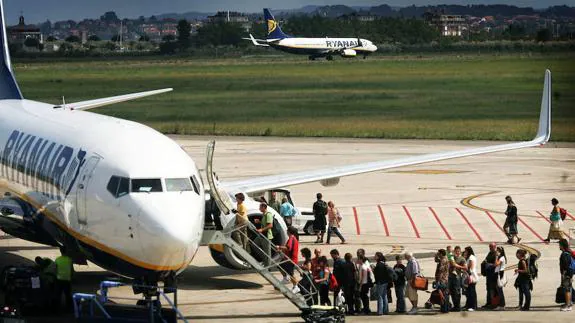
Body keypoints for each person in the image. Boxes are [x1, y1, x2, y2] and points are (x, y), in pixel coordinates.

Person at [277, 226, 300, 291]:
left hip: (291, 259)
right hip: (287, 258)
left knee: (291, 273)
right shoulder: (291, 238)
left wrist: (279, 247)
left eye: (287, 230)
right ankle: (285, 278)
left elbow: (288, 248)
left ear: (289, 232)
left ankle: (296, 287)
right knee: (280, 266)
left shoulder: (292, 238)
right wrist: (281, 250)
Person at [55, 246, 73, 311]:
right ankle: (69, 309)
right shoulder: (69, 259)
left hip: (59, 279)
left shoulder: (57, 259)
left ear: (60, 251)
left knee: (58, 295)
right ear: (66, 251)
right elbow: (72, 270)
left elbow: (55, 269)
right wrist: (71, 278)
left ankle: (57, 309)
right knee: (68, 295)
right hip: (67, 280)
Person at [448, 246, 467, 312]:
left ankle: (458, 306)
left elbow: (465, 267)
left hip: (457, 277)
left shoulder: (462, 259)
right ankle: (455, 306)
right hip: (450, 277)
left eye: (458, 251)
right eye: (456, 251)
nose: (457, 252)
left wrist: (458, 267)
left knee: (457, 291)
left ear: (460, 251)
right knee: (452, 292)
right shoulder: (452, 257)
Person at [559, 239, 573, 312]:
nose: (559, 246)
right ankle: (568, 303)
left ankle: (568, 305)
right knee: (568, 289)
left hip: (566, 274)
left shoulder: (564, 254)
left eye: (560, 244)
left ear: (562, 245)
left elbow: (566, 266)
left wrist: (564, 274)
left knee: (567, 289)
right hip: (569, 274)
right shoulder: (568, 253)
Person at [482, 242, 497, 309]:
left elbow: (495, 264)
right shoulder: (490, 253)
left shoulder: (496, 254)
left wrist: (488, 264)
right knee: (488, 289)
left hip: (493, 274)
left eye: (491, 247)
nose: (490, 248)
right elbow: (486, 259)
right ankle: (488, 302)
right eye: (490, 247)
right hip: (488, 274)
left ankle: (493, 304)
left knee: (492, 289)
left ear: (495, 247)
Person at [463, 246, 478, 311]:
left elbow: (470, 267)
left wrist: (465, 268)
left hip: (471, 276)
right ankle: (468, 305)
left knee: (472, 292)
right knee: (468, 292)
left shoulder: (471, 257)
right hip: (468, 275)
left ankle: (473, 306)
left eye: (466, 251)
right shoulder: (468, 257)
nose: (465, 252)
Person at [435, 249, 450, 313]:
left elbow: (441, 271)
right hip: (445, 279)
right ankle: (446, 308)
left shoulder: (443, 260)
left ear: (441, 254)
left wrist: (438, 280)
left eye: (438, 253)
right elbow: (436, 260)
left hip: (442, 279)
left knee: (442, 294)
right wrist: (436, 256)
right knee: (445, 294)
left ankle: (444, 308)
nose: (438, 254)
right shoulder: (444, 259)